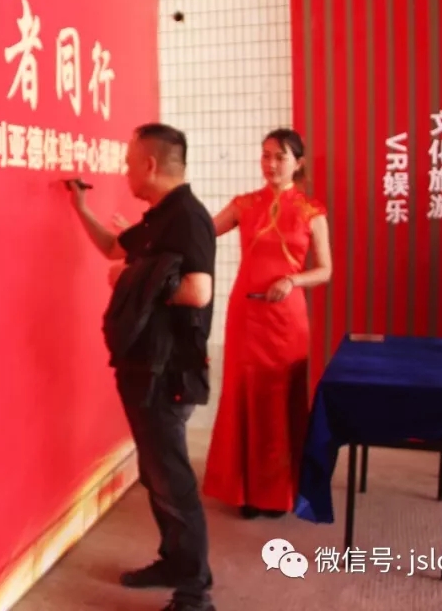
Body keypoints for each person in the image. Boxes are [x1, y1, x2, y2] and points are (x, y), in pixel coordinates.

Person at [69, 123, 216, 611]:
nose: (125, 171)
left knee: (172, 478)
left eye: (130, 163)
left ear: (151, 165)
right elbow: (116, 249)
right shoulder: (159, 216)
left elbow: (198, 291)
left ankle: (195, 594)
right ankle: (173, 561)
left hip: (167, 371)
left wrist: (131, 281)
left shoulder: (188, 218)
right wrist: (81, 209)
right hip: (142, 366)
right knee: (155, 474)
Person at [202, 128, 332, 519]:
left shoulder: (311, 212)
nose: (271, 164)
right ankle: (243, 490)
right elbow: (202, 231)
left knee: (279, 401)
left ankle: (277, 492)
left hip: (286, 321)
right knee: (244, 395)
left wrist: (293, 280)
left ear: (298, 162)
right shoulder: (244, 204)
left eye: (280, 156)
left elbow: (325, 270)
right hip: (247, 317)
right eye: (265, 156)